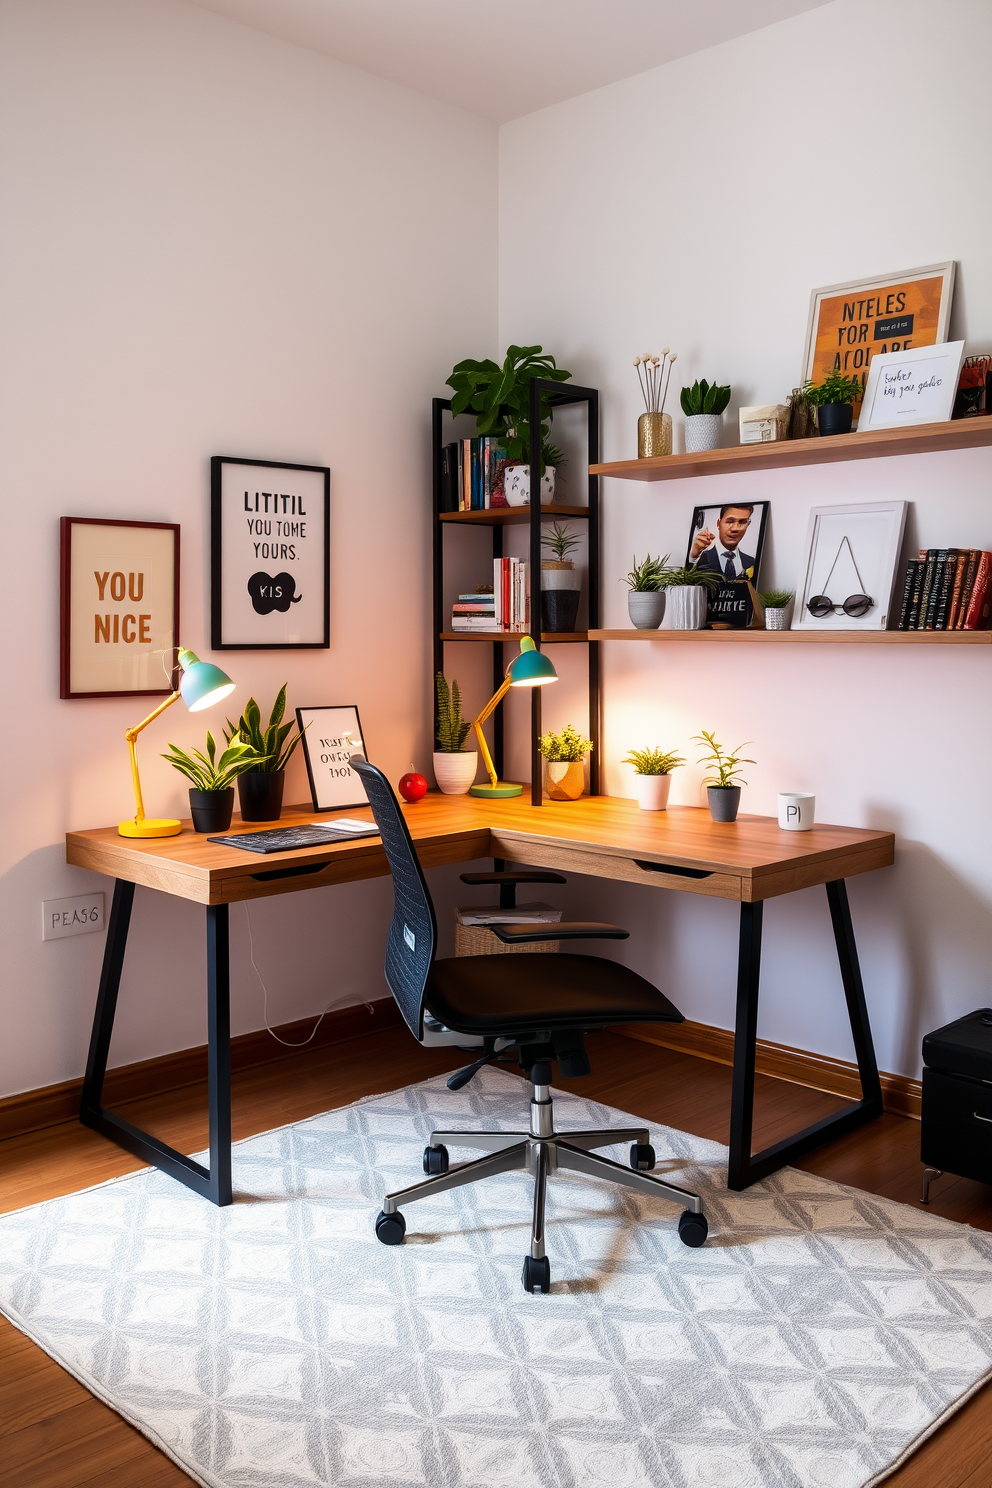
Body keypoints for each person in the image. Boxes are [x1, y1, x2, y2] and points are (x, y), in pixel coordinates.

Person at [690, 504, 757, 580]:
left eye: (742, 522)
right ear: (719, 524)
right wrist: (693, 556)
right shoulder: (701, 558)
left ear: (748, 524)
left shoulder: (751, 562)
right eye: (730, 521)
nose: (735, 529)